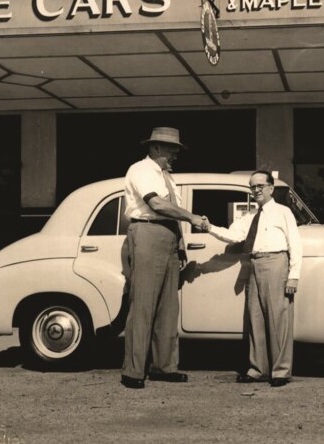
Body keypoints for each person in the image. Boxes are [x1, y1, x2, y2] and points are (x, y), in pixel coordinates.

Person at [121, 127, 206, 389]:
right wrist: (191, 217)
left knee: (168, 307)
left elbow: (171, 213)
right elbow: (156, 205)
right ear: (155, 147)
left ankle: (165, 366)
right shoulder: (141, 170)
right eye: (171, 149)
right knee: (144, 305)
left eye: (177, 150)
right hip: (147, 232)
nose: (175, 155)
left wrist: (180, 245)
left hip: (169, 237)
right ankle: (133, 371)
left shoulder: (168, 177)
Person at [203, 170, 302, 387]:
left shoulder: (283, 212)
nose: (255, 190)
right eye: (252, 187)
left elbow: (295, 243)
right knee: (255, 318)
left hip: (276, 262)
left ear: (270, 188)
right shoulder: (248, 217)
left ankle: (281, 371)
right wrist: (209, 227)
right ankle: (258, 369)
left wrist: (293, 276)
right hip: (254, 263)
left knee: (278, 318)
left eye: (259, 186)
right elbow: (233, 235)